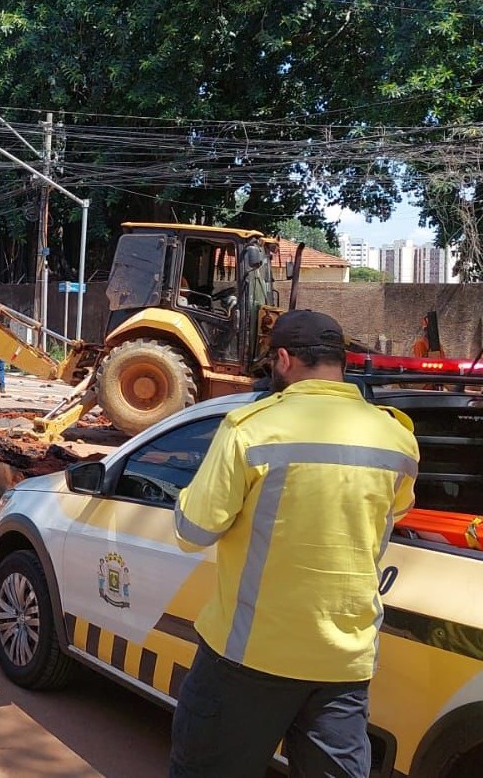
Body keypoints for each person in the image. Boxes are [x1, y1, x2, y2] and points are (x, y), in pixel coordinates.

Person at [169, 309, 419, 778]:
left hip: (247, 659)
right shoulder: (396, 437)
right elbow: (391, 515)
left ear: (284, 359)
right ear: (339, 360)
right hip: (344, 662)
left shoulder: (251, 427)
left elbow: (194, 531)